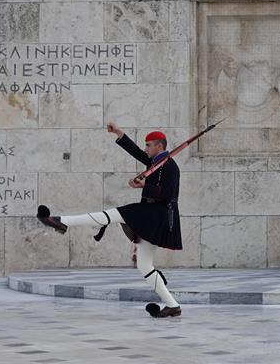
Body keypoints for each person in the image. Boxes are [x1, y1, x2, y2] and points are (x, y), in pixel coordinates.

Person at [37, 123, 183, 318]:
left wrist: (144, 186)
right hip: (151, 215)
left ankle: (61, 221)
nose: (146, 148)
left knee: (115, 214)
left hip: (159, 215)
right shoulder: (155, 162)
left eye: (149, 145)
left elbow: (169, 194)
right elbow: (136, 152)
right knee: (144, 265)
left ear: (159, 146)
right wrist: (119, 134)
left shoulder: (170, 166)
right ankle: (172, 305)